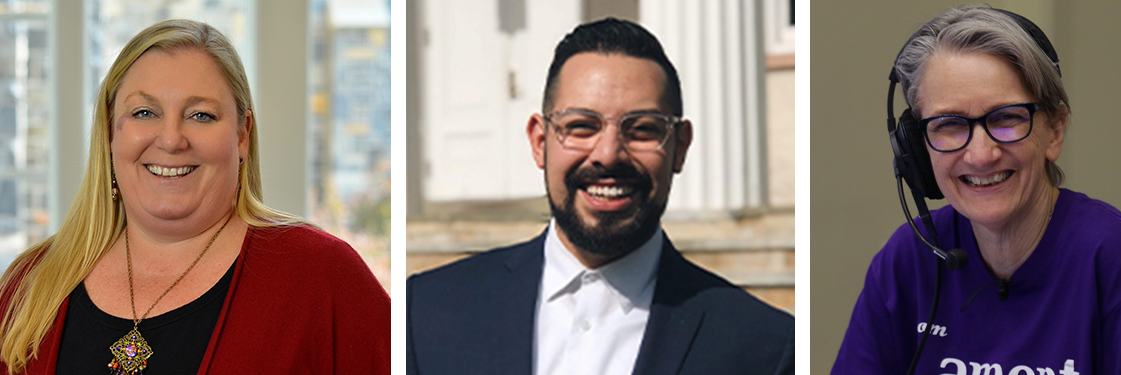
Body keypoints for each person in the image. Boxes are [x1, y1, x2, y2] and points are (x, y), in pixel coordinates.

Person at [405, 18, 795, 375]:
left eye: (642, 129)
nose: (608, 154)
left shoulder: (767, 348)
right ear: (540, 142)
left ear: (679, 147)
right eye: (581, 126)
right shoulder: (425, 313)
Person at [0, 20, 390, 374]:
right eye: (143, 112)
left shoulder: (321, 277)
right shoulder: (28, 287)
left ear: (242, 134)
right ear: (109, 132)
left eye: (200, 115)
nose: (171, 140)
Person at [832, 6, 1121, 374]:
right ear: (916, 147)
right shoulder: (908, 259)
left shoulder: (1111, 254)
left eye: (1006, 118)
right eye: (950, 124)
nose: (982, 154)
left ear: (1054, 131)